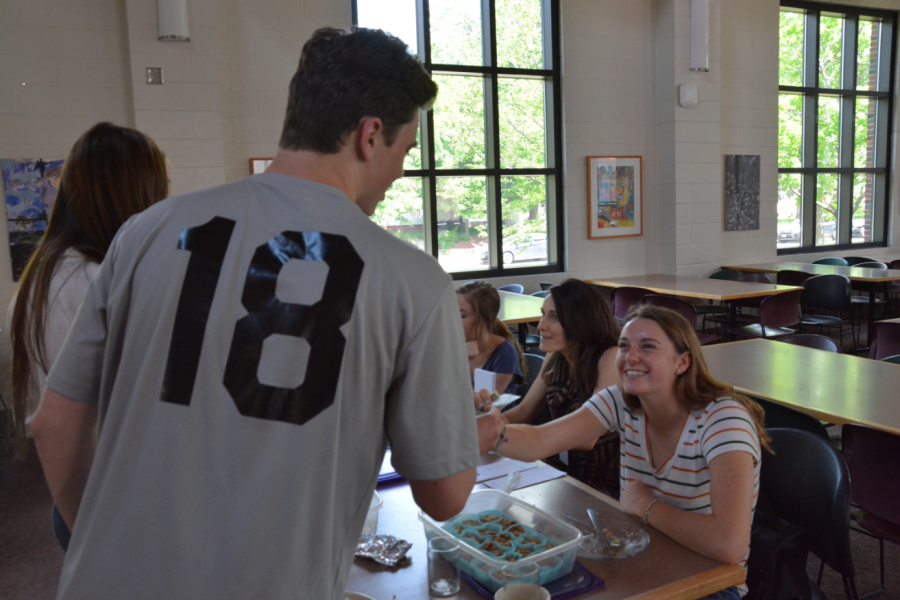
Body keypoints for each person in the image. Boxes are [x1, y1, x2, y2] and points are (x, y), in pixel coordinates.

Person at [32, 28, 498, 600]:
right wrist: (470, 439)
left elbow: (55, 422)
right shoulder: (412, 280)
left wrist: (99, 544)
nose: (400, 171)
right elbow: (444, 495)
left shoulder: (145, 232)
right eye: (405, 151)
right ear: (370, 135)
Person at [488, 304, 769, 597]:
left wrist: (646, 506)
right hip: (643, 561)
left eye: (648, 347)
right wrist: (488, 434)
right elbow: (540, 441)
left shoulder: (723, 419)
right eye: (624, 346)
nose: (630, 357)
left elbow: (728, 545)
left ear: (682, 362)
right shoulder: (621, 400)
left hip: (710, 584)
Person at [7, 122, 169, 456]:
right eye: (158, 192)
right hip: (105, 476)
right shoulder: (89, 281)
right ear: (134, 195)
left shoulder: (48, 269)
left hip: (87, 470)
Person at [478, 278, 621, 496]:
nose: (541, 325)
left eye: (554, 317)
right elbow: (524, 411)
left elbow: (586, 439)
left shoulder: (609, 357)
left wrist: (498, 435)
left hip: (604, 485)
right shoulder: (555, 356)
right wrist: (490, 419)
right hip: (562, 475)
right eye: (543, 314)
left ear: (581, 320)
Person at [456, 281, 524, 395]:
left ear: (486, 321)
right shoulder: (451, 345)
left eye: (462, 316)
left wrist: (459, 363)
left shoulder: (505, 354)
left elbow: (485, 403)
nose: (452, 320)